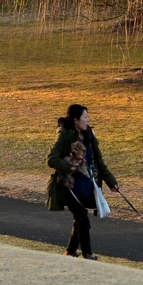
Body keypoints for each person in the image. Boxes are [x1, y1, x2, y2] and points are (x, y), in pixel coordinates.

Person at [46, 104, 118, 259]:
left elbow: (99, 162)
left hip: (86, 186)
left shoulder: (89, 136)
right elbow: (52, 159)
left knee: (79, 220)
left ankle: (70, 252)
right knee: (83, 220)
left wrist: (111, 182)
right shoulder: (64, 135)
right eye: (85, 117)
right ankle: (88, 255)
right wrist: (69, 168)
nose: (88, 120)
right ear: (76, 120)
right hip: (70, 186)